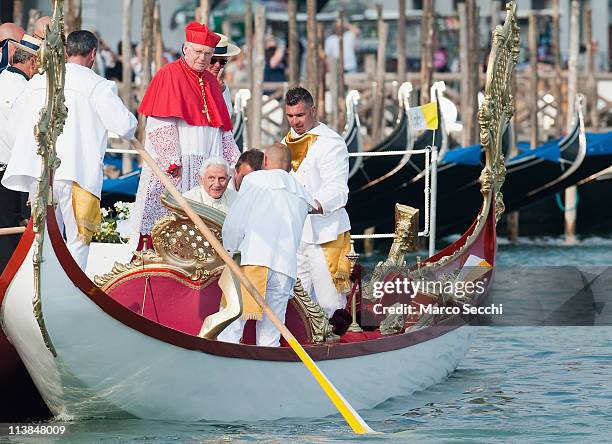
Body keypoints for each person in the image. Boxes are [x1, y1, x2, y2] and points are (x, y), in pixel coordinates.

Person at [2, 30, 137, 270]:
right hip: (76, 174)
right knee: (76, 241)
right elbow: (125, 127)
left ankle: (41, 285)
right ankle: (69, 293)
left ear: (65, 52)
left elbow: (13, 128)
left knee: (42, 237)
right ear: (93, 53)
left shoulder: (38, 81)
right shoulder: (97, 85)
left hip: (40, 172)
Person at [124, 22, 240, 249]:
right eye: (198, 52)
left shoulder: (211, 82)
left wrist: (234, 161)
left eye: (208, 54)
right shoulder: (169, 74)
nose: (203, 58)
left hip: (207, 163)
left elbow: (223, 129)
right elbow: (159, 122)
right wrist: (171, 159)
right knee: (166, 223)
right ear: (185, 49)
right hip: (178, 165)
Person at [218, 143, 314, 346]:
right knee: (271, 336)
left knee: (231, 325)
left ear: (266, 161)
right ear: (289, 166)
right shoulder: (301, 193)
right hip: (285, 269)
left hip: (254, 259)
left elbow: (235, 223)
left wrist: (229, 251)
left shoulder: (255, 180)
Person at [282, 87, 351, 318]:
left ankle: (336, 347)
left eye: (300, 115)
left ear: (313, 111)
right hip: (295, 236)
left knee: (330, 302)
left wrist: (312, 206)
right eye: (290, 116)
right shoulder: (284, 142)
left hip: (325, 234)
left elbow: (338, 189)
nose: (295, 121)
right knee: (295, 300)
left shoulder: (332, 142)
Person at [0, 35, 41, 272]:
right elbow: (24, 137)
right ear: (33, 63)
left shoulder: (3, 79)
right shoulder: (25, 91)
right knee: (13, 239)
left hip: (7, 168)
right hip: (12, 173)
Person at [206, 33, 241, 117]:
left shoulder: (222, 86)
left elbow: (227, 115)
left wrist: (220, 91)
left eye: (222, 61)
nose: (218, 65)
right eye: (213, 60)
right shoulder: (192, 81)